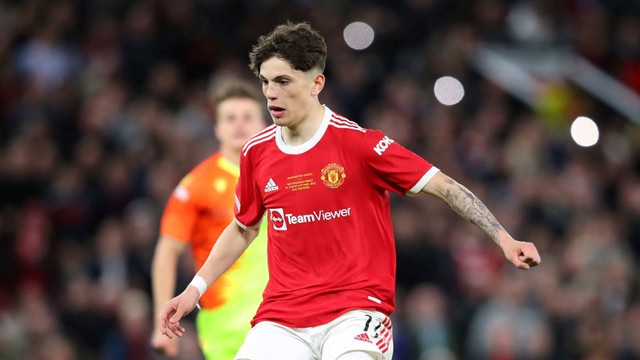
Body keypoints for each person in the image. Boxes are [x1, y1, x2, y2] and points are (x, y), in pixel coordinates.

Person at [159, 22, 541, 360]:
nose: (270, 94)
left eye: (283, 81)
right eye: (265, 81)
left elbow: (443, 185)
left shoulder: (358, 145)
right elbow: (244, 228)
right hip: (283, 316)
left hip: (356, 312)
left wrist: (503, 238)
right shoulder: (257, 151)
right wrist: (194, 290)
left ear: (316, 83)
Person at [150, 79, 268, 359]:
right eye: (230, 118)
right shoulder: (196, 186)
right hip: (225, 324)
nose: (239, 124)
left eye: (248, 117)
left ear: (264, 124)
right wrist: (160, 321)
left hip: (284, 314)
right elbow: (167, 251)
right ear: (217, 127)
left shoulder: (288, 174)